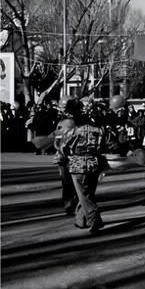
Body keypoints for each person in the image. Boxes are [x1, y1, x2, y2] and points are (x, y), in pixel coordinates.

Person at [54, 98, 108, 233]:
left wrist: (61, 158)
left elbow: (64, 148)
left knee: (83, 194)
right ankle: (80, 220)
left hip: (78, 163)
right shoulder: (99, 130)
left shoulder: (74, 131)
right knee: (88, 191)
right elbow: (103, 146)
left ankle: (94, 219)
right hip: (94, 162)